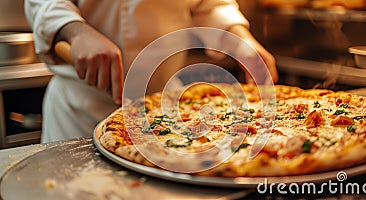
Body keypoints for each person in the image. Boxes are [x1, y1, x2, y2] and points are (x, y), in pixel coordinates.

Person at [25, 0, 278, 143]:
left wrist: (239, 38)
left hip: (169, 111)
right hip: (81, 110)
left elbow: (209, 4)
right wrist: (75, 30)